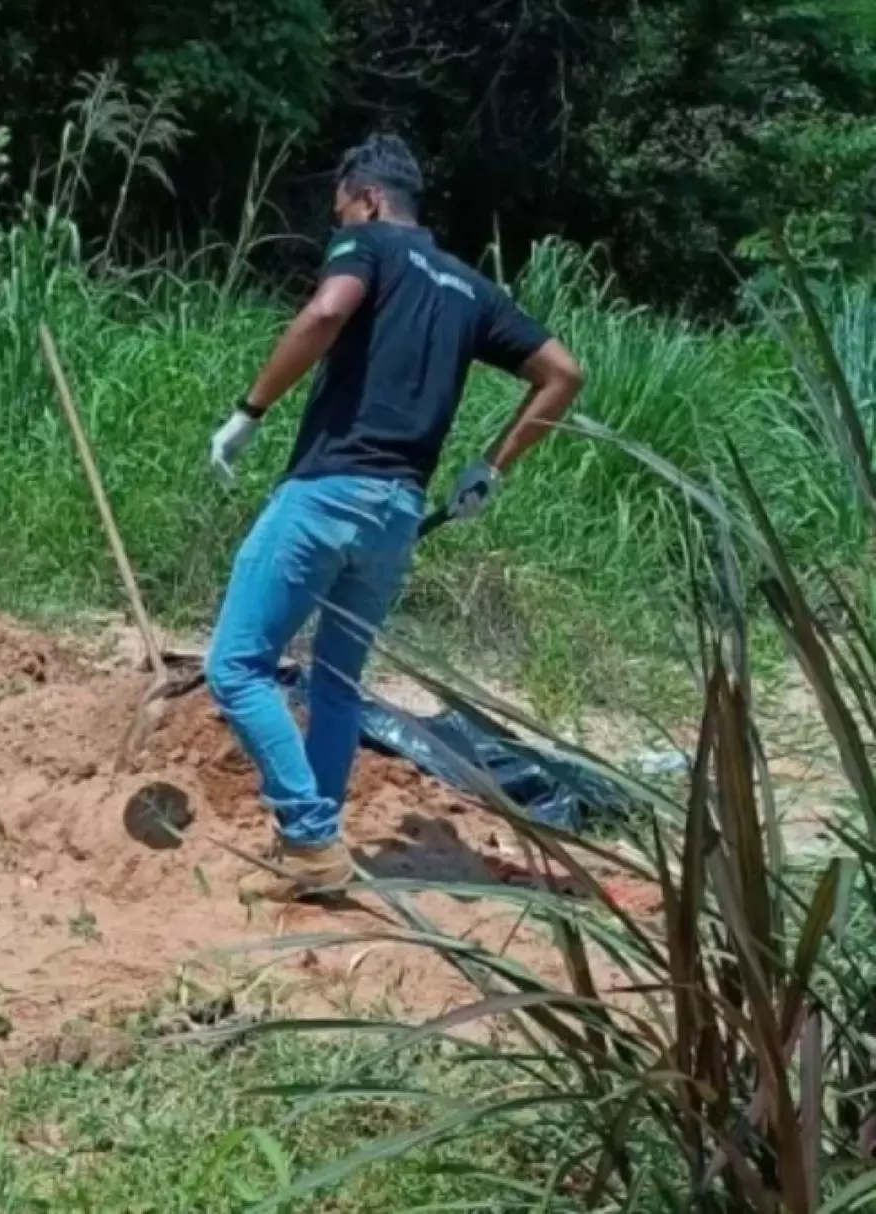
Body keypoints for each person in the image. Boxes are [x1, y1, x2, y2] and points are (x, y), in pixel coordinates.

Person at [205, 134, 584, 904]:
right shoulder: (469, 287)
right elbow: (564, 372)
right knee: (337, 682)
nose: (336, 222)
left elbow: (326, 310)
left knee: (235, 666)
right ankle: (314, 851)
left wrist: (251, 411)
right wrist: (491, 467)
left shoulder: (367, 243)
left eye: (340, 206)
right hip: (396, 514)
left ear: (369, 199)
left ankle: (310, 838)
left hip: (328, 494)